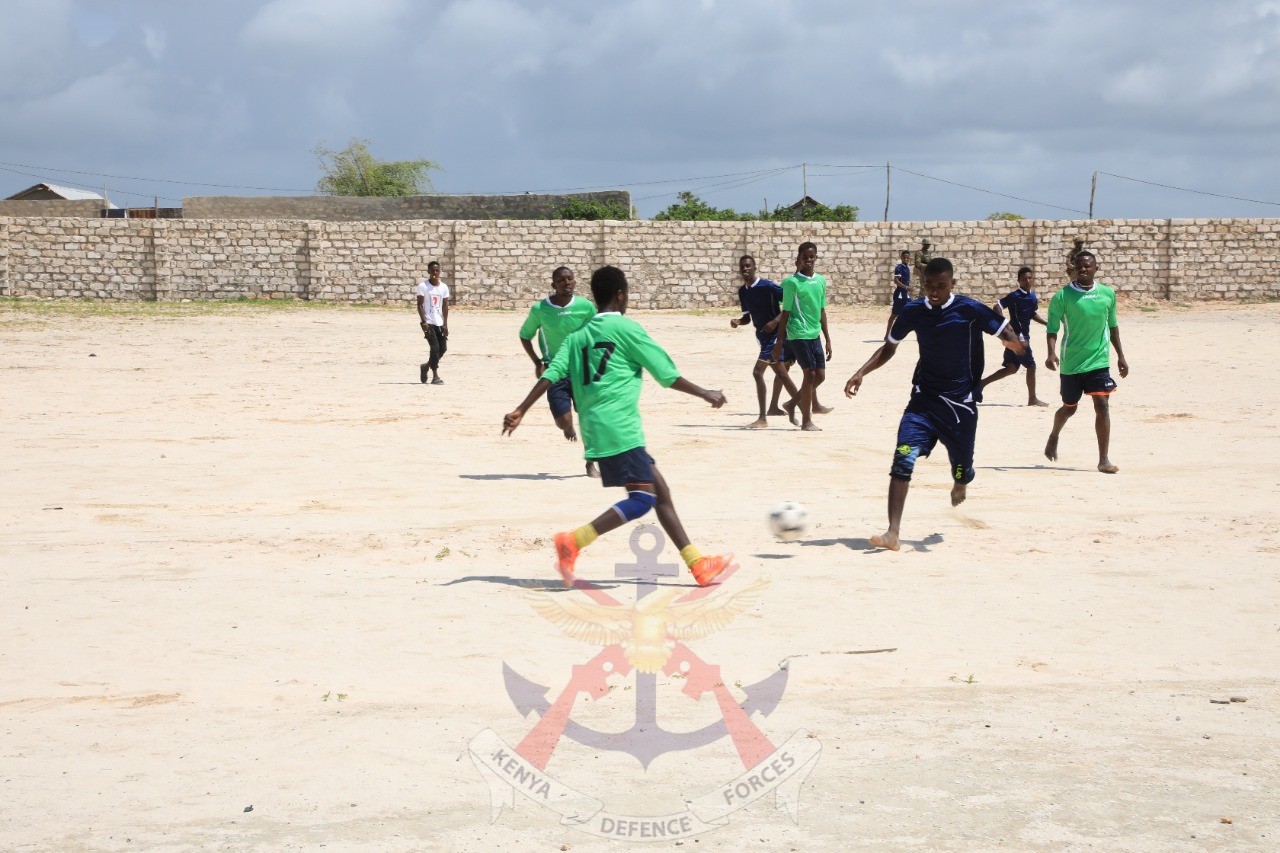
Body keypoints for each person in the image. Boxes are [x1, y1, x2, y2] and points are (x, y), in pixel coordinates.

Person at [503, 265, 731, 588]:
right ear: (621, 295)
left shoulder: (577, 336)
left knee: (660, 491)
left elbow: (551, 373)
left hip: (595, 428)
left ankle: (698, 565)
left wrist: (521, 409)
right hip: (619, 427)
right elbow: (667, 375)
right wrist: (705, 392)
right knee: (643, 499)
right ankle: (573, 541)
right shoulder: (627, 329)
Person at [844, 257, 1026, 551]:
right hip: (923, 402)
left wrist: (1014, 342)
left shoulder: (969, 309)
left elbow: (1004, 331)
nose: (935, 291)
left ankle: (961, 481)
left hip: (960, 406)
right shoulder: (913, 311)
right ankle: (893, 532)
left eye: (941, 286)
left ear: (953, 283)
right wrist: (861, 372)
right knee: (903, 456)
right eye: (929, 285)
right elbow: (889, 347)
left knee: (960, 468)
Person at [1044, 251, 1130, 474]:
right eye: (1079, 266)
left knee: (1102, 406)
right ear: (1073, 269)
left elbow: (1112, 327)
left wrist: (1120, 356)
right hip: (1072, 363)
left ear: (1096, 269)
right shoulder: (1062, 297)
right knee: (1069, 408)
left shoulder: (1107, 294)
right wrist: (1051, 353)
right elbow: (1052, 329)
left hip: (1099, 361)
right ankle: (1054, 435)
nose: (1083, 270)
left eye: (1088, 266)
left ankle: (1104, 459)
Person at [518, 265, 600, 477]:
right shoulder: (540, 310)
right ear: (553, 284)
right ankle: (568, 428)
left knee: (589, 418)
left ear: (575, 282)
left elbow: (597, 333)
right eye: (562, 280)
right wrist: (537, 362)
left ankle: (590, 462)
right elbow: (525, 335)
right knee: (563, 421)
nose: (567, 283)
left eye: (570, 279)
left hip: (582, 370)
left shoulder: (586, 307)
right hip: (556, 371)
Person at [730, 254, 800, 428]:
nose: (745, 269)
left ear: (754, 268)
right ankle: (799, 411)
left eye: (748, 266)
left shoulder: (767, 286)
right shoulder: (743, 292)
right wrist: (739, 321)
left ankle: (762, 419)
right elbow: (747, 317)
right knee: (782, 373)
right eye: (742, 266)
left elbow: (789, 302)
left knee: (757, 372)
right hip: (762, 337)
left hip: (776, 336)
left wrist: (776, 321)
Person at [770, 241, 833, 431]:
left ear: (816, 257)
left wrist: (827, 338)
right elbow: (786, 312)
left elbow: (822, 310)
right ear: (799, 259)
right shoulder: (791, 283)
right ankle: (806, 421)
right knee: (810, 373)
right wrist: (780, 341)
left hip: (814, 335)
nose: (809, 260)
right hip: (798, 334)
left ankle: (791, 404)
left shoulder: (820, 281)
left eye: (811, 257)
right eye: (805, 257)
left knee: (820, 376)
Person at [980, 266, 1049, 406]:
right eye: (1024, 279)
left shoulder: (1032, 296)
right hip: (1017, 338)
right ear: (1019, 281)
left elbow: (1032, 314)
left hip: (1022, 335)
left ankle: (981, 384)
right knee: (1031, 366)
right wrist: (1004, 323)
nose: (1028, 281)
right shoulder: (1015, 296)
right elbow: (997, 306)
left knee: (1011, 368)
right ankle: (1032, 399)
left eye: (1030, 278)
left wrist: (1045, 323)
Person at [416, 261, 449, 385]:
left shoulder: (443, 287)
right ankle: (435, 376)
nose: (435, 273)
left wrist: (445, 324)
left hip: (439, 322)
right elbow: (419, 305)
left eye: (437, 270)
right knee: (434, 348)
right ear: (428, 271)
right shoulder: (423, 286)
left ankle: (426, 366)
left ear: (440, 271)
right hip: (428, 321)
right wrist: (424, 322)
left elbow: (445, 306)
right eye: (432, 270)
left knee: (443, 348)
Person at [885, 250, 912, 338]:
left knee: (911, 311)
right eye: (904, 258)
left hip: (905, 294)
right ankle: (887, 334)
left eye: (908, 258)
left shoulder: (907, 267)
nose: (906, 259)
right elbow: (896, 281)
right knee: (894, 315)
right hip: (900, 295)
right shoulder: (899, 268)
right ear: (901, 258)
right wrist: (907, 287)